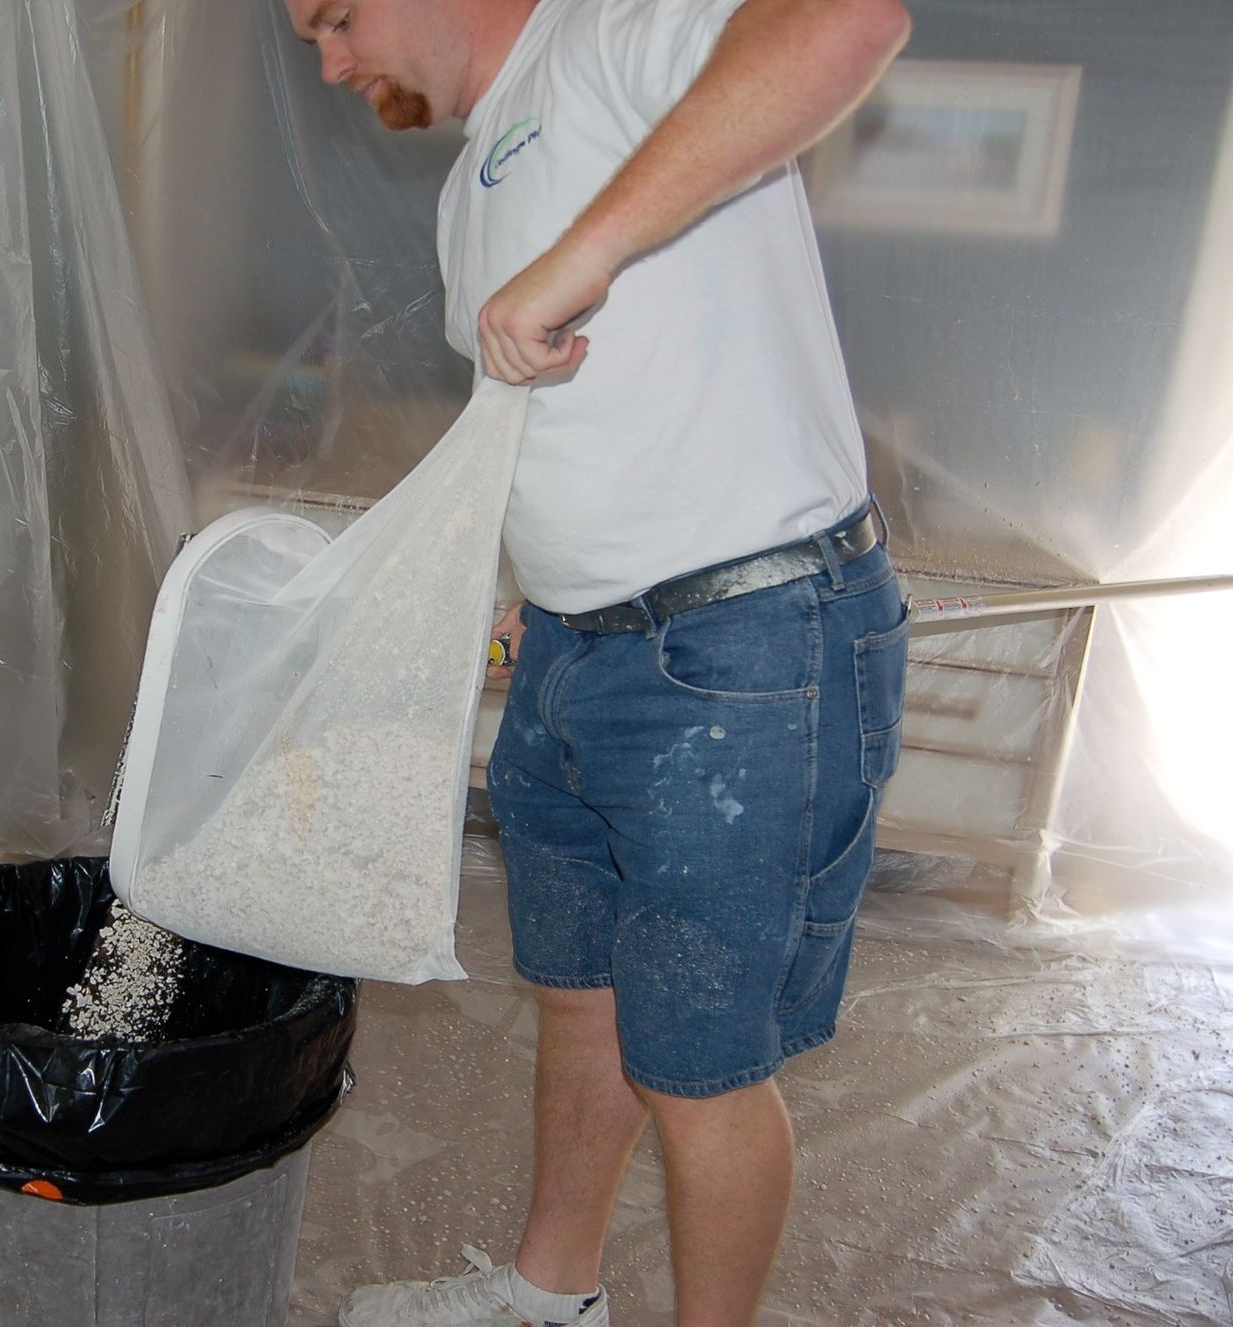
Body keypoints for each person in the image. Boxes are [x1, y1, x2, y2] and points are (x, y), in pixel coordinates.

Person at [282, 0, 913, 1324]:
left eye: (335, 18)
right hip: (576, 650)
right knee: (579, 996)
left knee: (700, 1065)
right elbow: (560, 415)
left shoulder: (609, 34)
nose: (333, 64)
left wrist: (583, 253)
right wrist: (533, 585)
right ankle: (548, 1297)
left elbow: (848, 23)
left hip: (741, 648)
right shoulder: (469, 187)